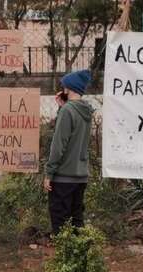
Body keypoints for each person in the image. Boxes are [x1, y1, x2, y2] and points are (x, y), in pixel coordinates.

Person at [44, 69, 94, 235]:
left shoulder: (68, 111)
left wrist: (49, 173)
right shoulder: (86, 110)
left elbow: (59, 144)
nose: (63, 88)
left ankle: (64, 251)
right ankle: (79, 251)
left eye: (65, 85)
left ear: (69, 88)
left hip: (63, 176)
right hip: (80, 175)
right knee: (76, 220)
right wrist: (62, 108)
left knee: (60, 223)